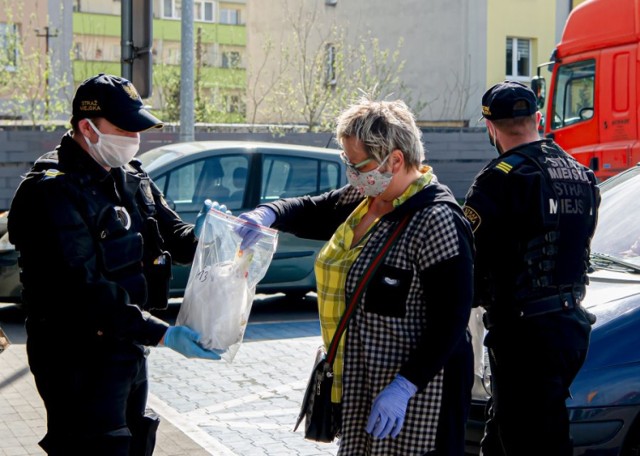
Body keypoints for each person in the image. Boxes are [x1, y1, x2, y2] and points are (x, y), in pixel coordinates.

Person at [238, 96, 475, 455]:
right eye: (346, 162)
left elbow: (452, 319)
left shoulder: (437, 219)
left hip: (416, 394)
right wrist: (268, 214)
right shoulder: (366, 197)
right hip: (362, 383)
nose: (351, 173)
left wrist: (404, 387)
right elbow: (311, 209)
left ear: (395, 160)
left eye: (357, 164)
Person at [7, 73, 223, 456]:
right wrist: (163, 333)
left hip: (127, 347)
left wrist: (209, 235)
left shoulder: (132, 176)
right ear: (87, 127)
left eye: (136, 128)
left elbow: (176, 239)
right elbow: (82, 291)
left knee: (134, 442)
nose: (133, 137)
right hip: (75, 358)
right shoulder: (51, 191)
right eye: (123, 128)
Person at [462, 81, 601, 455]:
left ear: (491, 128)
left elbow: (471, 266)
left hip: (525, 335)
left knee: (533, 442)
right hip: (571, 326)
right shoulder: (582, 175)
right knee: (506, 433)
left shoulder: (497, 181)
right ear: (537, 118)